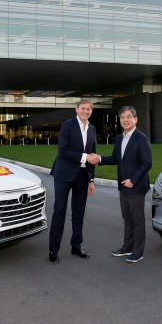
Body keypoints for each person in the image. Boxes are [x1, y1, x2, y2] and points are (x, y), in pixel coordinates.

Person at [98, 106, 152, 263]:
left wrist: (133, 180)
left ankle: (138, 251)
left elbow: (147, 163)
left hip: (136, 186)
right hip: (123, 186)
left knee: (137, 220)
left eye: (128, 116)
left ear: (135, 119)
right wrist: (99, 158)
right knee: (127, 218)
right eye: (122, 117)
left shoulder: (142, 139)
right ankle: (127, 247)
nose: (125, 119)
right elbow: (116, 159)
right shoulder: (120, 138)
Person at [48, 98, 97, 264]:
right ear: (76, 109)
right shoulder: (67, 125)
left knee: (79, 212)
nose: (85, 111)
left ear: (91, 111)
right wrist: (85, 156)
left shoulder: (92, 129)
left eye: (88, 109)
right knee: (59, 211)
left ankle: (76, 246)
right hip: (64, 175)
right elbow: (63, 151)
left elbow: (92, 155)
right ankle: (53, 249)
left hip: (82, 177)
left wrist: (91, 179)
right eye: (83, 108)